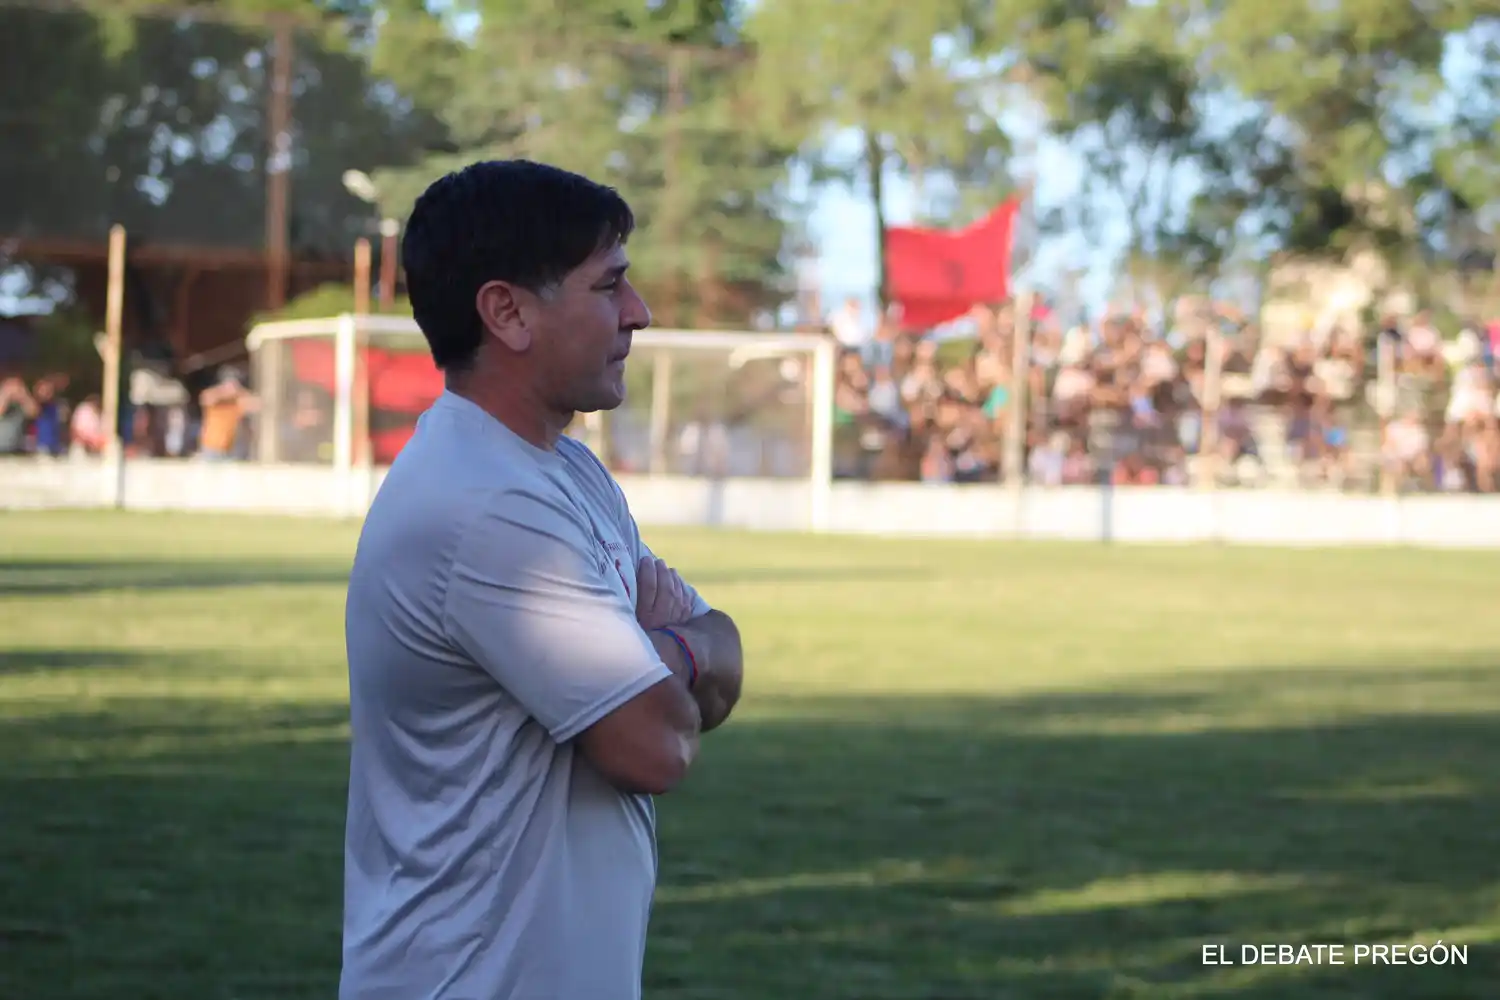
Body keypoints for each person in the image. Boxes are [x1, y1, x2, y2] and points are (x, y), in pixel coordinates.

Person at [339, 159, 745, 1000]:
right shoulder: (490, 507)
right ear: (508, 312)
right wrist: (679, 651)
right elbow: (658, 745)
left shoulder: (564, 473)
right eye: (609, 287)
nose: (639, 314)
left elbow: (725, 652)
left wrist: (658, 653)